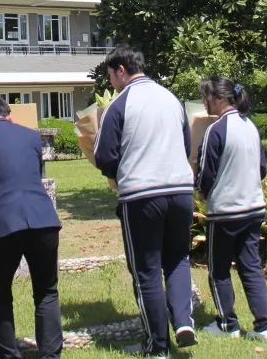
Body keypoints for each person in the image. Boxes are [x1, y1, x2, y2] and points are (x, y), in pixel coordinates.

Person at [94, 46, 196, 357]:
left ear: (121, 70)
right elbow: (187, 144)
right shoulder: (172, 99)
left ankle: (158, 346)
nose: (111, 82)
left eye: (111, 76)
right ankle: (182, 320)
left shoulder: (120, 103)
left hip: (141, 194)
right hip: (180, 190)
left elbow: (103, 155)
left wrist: (116, 174)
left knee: (147, 270)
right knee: (178, 258)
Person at [0, 97, 63, 359]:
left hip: (4, 223)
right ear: (10, 115)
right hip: (43, 220)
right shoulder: (32, 137)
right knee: (47, 291)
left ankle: (8, 354)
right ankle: (51, 354)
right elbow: (34, 175)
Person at [195, 76, 267, 344]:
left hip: (225, 211)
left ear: (219, 99)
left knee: (218, 270)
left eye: (206, 97)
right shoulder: (250, 126)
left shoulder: (216, 130)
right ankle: (265, 326)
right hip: (253, 207)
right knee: (251, 267)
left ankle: (227, 323)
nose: (204, 103)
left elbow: (205, 173)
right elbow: (262, 168)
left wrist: (201, 192)